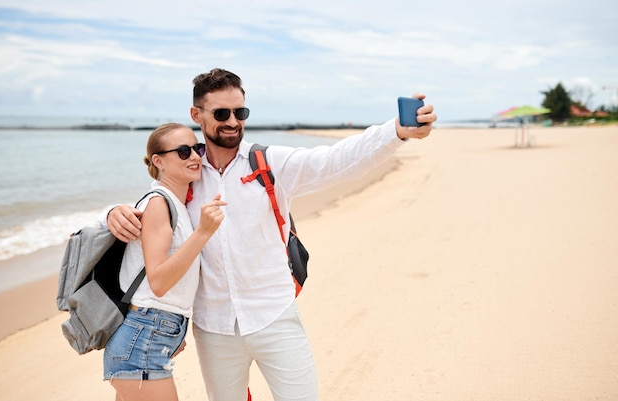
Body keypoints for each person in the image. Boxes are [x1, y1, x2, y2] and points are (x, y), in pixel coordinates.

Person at [106, 68, 436, 401]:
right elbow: (153, 202)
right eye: (221, 113)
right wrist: (111, 213)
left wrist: (396, 131)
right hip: (214, 327)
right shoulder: (187, 170)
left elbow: (337, 161)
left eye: (240, 112)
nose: (233, 121)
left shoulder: (269, 162)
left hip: (274, 314)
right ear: (197, 115)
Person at [103, 123, 226, 401]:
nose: (195, 157)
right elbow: (158, 282)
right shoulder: (159, 203)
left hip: (152, 335)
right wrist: (204, 232)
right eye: (183, 151)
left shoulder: (176, 205)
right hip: (144, 337)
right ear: (158, 161)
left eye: (198, 148)